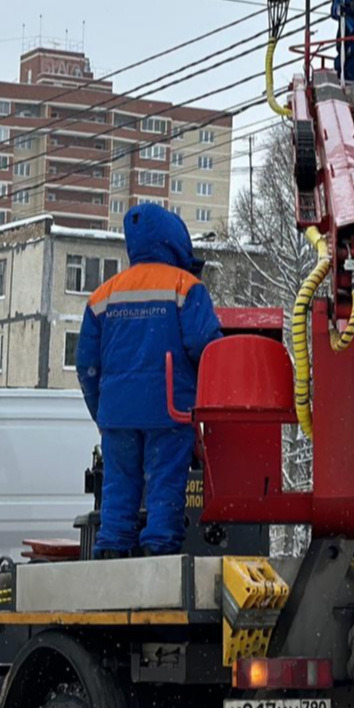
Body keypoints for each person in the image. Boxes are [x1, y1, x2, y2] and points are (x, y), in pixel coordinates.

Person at [74, 201, 222, 558]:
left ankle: (112, 551)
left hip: (118, 414)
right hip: (169, 411)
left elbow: (85, 365)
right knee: (165, 487)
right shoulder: (185, 287)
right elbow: (209, 349)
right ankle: (159, 552)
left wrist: (104, 413)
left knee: (119, 487)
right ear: (175, 240)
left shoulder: (103, 295)